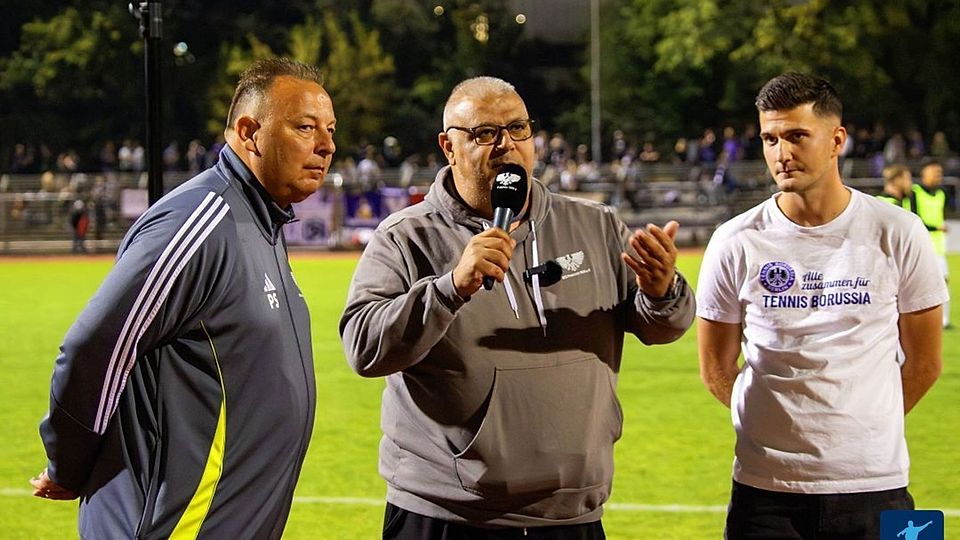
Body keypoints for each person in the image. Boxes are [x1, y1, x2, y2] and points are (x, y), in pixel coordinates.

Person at [339, 76, 695, 538]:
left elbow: (664, 327)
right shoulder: (404, 237)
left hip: (572, 515)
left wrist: (662, 290)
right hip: (447, 515)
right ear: (449, 147)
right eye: (485, 133)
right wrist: (450, 288)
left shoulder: (595, 224)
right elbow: (365, 348)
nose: (506, 144)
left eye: (518, 129)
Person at [31, 57, 336, 538]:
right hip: (175, 525)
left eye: (330, 130)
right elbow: (96, 348)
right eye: (305, 128)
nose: (326, 146)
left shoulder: (262, 222)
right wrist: (68, 464)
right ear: (249, 131)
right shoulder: (200, 222)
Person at [696, 72, 948, 539]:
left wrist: (860, 430)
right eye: (770, 139)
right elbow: (714, 366)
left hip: (879, 485)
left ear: (837, 141)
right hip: (764, 493)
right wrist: (771, 429)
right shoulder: (734, 241)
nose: (781, 153)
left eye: (796, 136)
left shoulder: (898, 232)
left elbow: (927, 363)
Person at [913, 159, 951, 328]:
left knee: (943, 283)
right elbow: (913, 217)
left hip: (939, 246)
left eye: (940, 173)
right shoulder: (914, 192)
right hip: (922, 245)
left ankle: (944, 321)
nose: (938, 176)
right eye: (935, 172)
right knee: (923, 286)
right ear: (924, 173)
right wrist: (936, 227)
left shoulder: (942, 194)